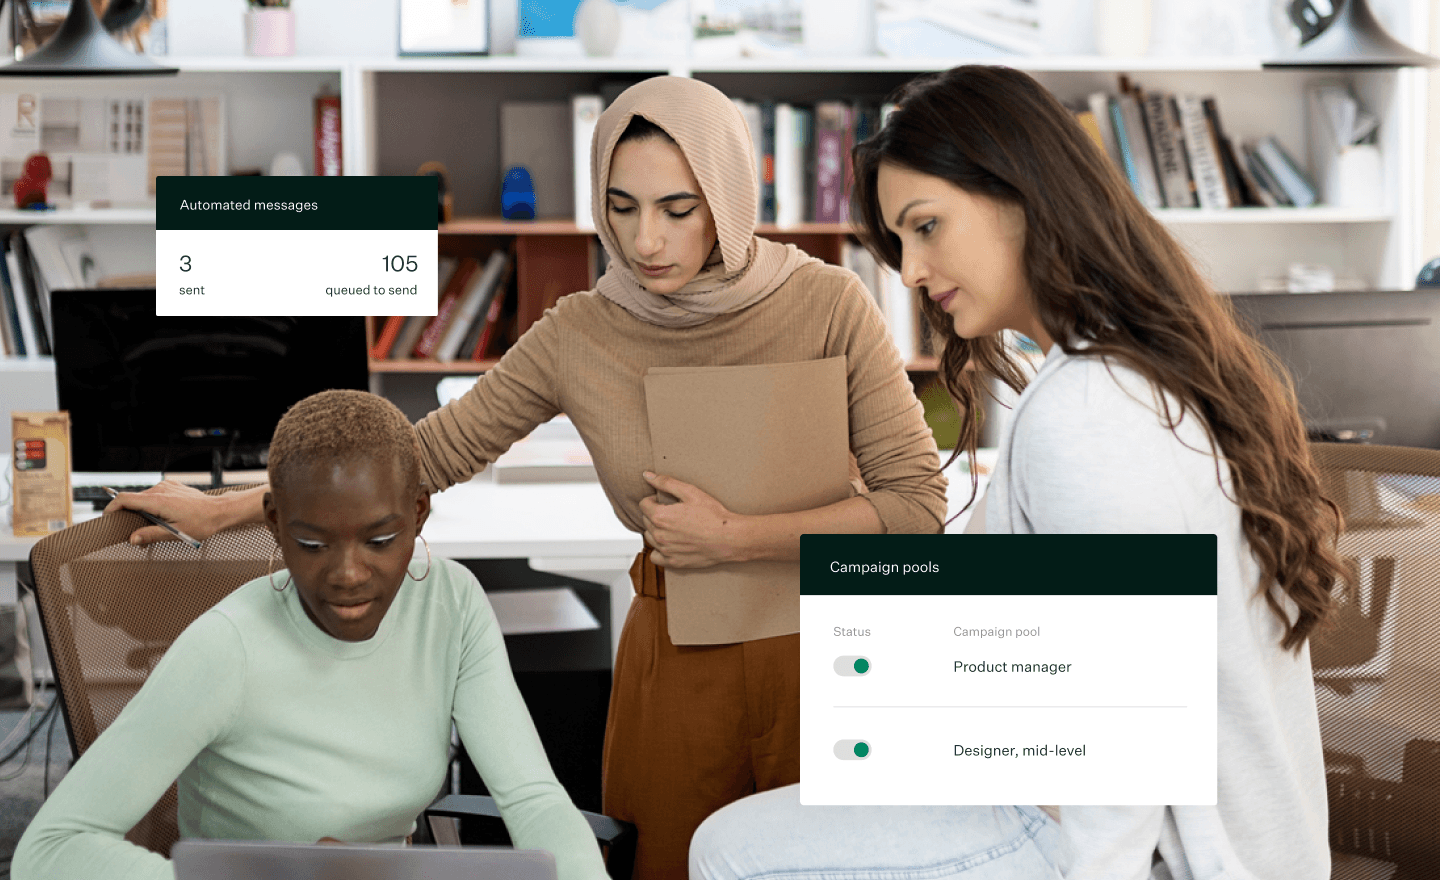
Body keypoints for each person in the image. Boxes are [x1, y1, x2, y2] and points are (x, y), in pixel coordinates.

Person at [106, 76, 948, 880]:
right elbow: (420, 459)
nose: (645, 240)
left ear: (725, 198)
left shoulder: (830, 303)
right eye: (621, 208)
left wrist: (735, 537)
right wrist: (236, 510)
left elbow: (916, 507)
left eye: (677, 209)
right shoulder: (583, 330)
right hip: (676, 660)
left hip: (838, 656)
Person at [688, 65, 1344, 880]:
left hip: (1159, 851)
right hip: (1180, 823)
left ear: (1021, 194)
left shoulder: (1089, 409)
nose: (912, 272)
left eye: (925, 227)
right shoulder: (1149, 368)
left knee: (729, 849)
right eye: (900, 243)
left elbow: (1125, 722)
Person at [14, 390, 609, 880]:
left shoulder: (451, 606)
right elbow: (51, 849)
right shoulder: (226, 646)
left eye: (379, 540)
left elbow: (534, 800)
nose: (349, 575)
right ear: (273, 523)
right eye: (313, 544)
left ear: (420, 515)